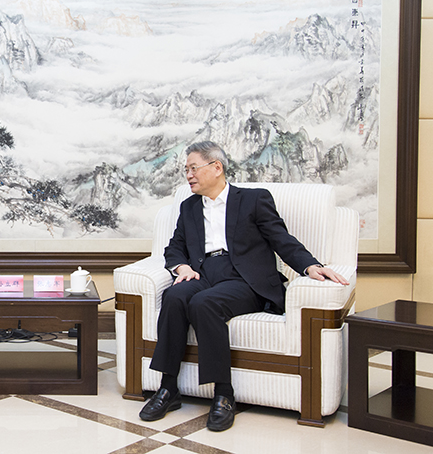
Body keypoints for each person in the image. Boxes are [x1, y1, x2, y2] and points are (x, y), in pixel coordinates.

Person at [139, 141, 348, 431]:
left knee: (203, 303)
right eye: (186, 170)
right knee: (174, 295)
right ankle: (168, 388)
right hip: (203, 273)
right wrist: (181, 267)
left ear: (216, 167)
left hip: (245, 279)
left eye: (193, 168)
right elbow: (174, 247)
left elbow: (281, 238)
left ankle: (224, 394)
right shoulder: (189, 207)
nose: (188, 175)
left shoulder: (253, 199)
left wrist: (309, 265)